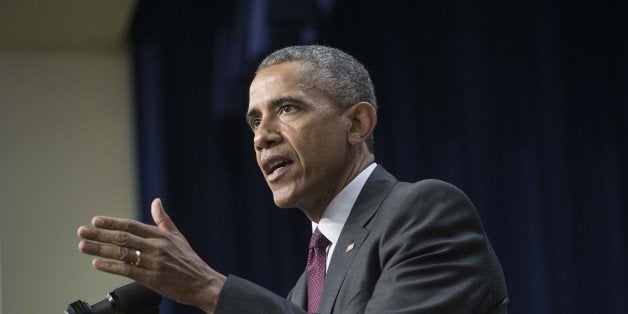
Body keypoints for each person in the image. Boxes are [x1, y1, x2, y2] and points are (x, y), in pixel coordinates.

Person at [78, 45, 508, 313]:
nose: (262, 137)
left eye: (287, 109)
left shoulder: (424, 212)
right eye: (253, 121)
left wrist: (208, 288)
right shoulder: (306, 288)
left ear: (357, 123)